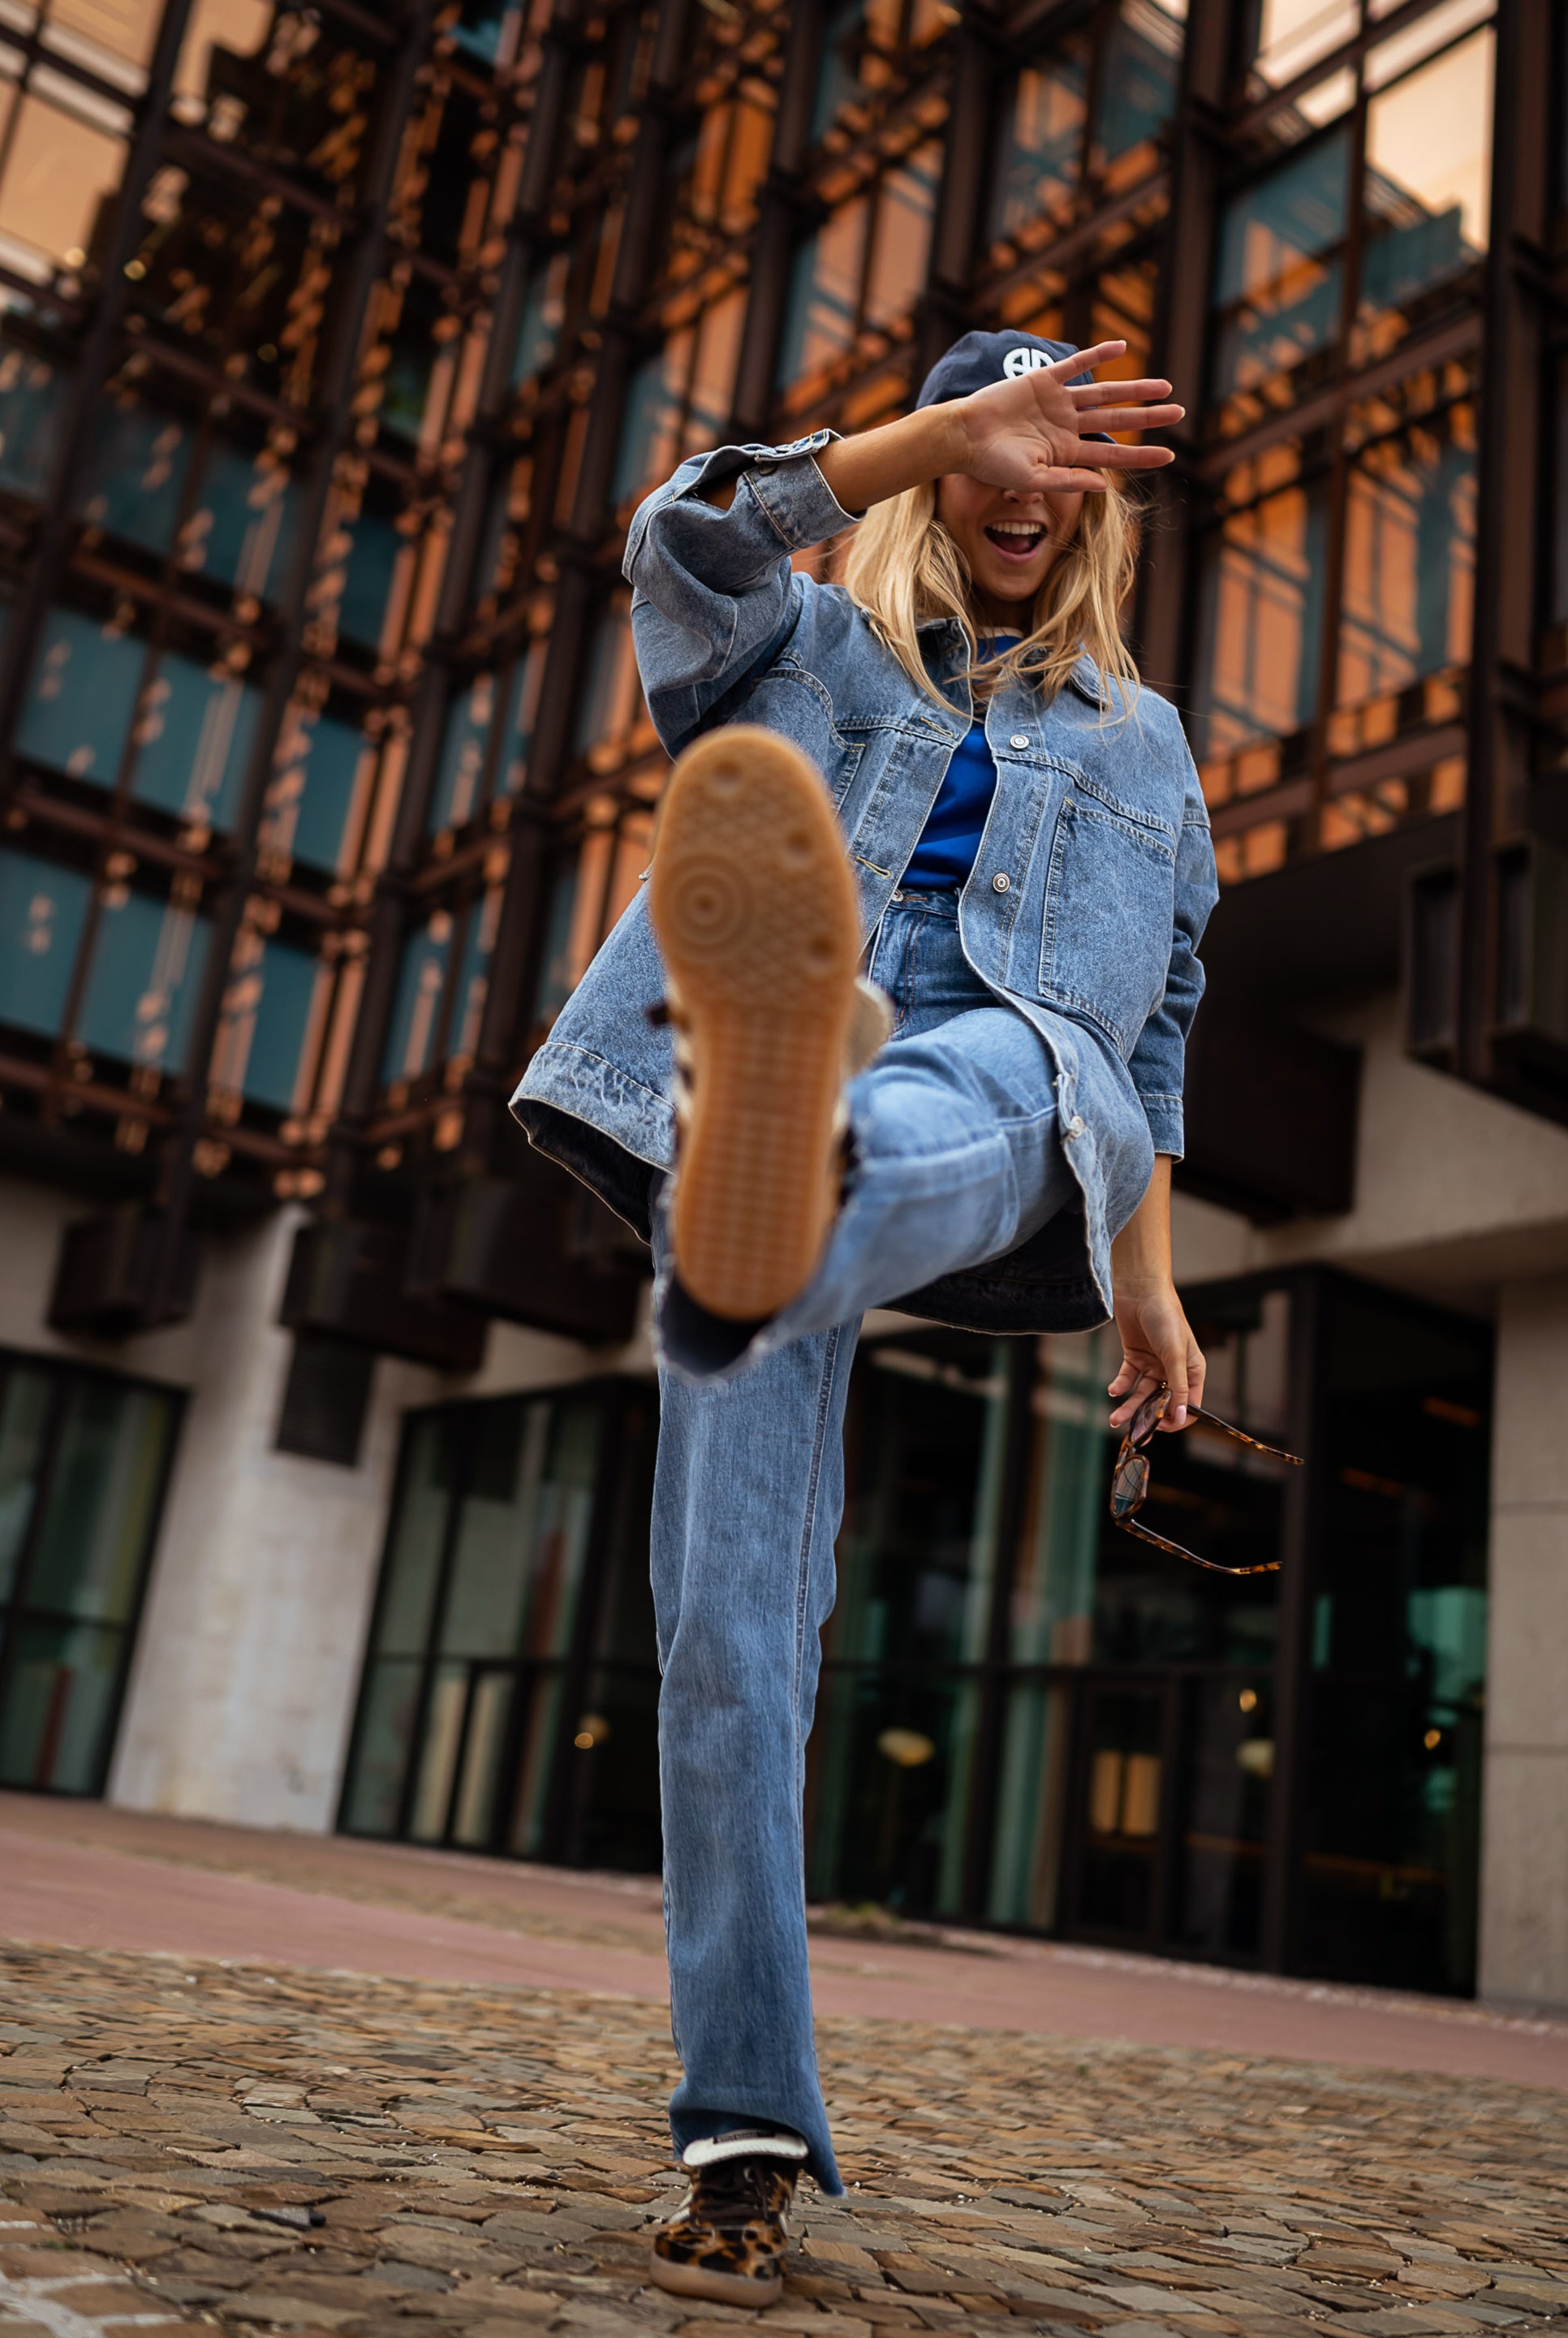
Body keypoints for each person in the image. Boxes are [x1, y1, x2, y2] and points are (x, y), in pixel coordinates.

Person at [512, 330, 1218, 2306]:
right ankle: (740, 2124)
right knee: (729, 1648)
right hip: (753, 1115)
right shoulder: (805, 647)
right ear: (936, 473)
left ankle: (801, 1142)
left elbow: (1153, 1039)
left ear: (1092, 506)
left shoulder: (1141, 741)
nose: (1023, 483)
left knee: (977, 1078)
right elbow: (685, 539)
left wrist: (1148, 1287)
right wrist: (909, 438)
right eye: (994, 448)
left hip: (989, 1098)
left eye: (1060, 457)